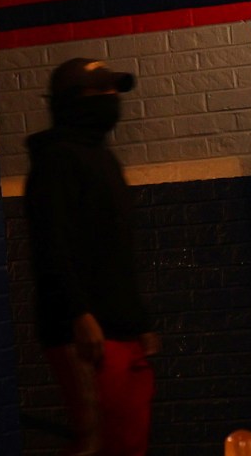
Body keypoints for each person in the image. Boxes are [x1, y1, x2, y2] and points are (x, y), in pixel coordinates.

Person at [25, 57, 159, 456]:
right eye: (100, 90)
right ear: (72, 100)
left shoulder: (101, 158)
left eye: (113, 89)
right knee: (100, 441)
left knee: (129, 439)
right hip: (86, 333)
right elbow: (51, 243)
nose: (111, 97)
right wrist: (78, 314)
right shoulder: (56, 161)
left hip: (119, 326)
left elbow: (116, 250)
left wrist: (138, 322)